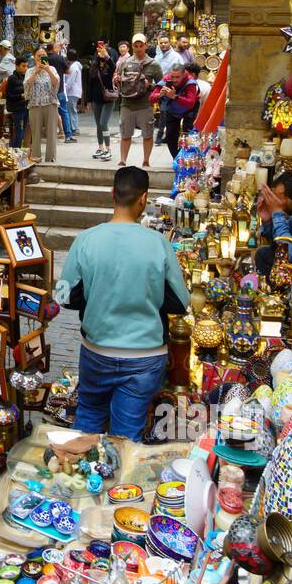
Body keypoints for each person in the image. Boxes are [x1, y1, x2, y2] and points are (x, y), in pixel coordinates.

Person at [57, 166, 190, 441]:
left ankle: (81, 474)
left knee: (88, 423)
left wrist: (96, 293)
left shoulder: (86, 240)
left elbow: (63, 295)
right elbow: (181, 301)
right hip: (144, 356)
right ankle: (123, 482)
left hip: (97, 351)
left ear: (111, 194)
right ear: (143, 198)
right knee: (126, 437)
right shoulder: (158, 242)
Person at [117, 33, 162, 169]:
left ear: (146, 46)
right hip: (127, 103)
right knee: (125, 133)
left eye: (141, 46)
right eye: (136, 46)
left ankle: (146, 160)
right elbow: (119, 79)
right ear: (132, 47)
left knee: (147, 133)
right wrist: (117, 80)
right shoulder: (125, 62)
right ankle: (123, 159)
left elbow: (162, 83)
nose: (138, 48)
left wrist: (151, 85)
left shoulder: (153, 64)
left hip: (145, 104)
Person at [255, 171, 292, 275]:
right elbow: (276, 242)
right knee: (262, 253)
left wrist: (277, 213)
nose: (274, 201)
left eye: (279, 197)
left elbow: (290, 253)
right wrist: (268, 221)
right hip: (289, 266)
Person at [24, 47, 61, 162]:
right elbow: (27, 85)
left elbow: (56, 83)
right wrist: (36, 72)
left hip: (50, 103)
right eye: (38, 55)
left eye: (43, 55)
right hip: (35, 105)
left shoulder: (52, 69)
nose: (41, 57)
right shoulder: (30, 71)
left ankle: (50, 158)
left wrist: (48, 70)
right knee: (36, 133)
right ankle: (36, 157)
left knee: (51, 133)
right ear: (34, 57)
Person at [159, 62, 201, 157]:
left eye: (177, 77)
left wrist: (175, 96)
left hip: (189, 108)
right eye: (172, 76)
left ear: (183, 74)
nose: (174, 79)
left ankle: (189, 157)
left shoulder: (191, 83)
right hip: (173, 107)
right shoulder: (166, 79)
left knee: (189, 134)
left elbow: (190, 103)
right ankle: (177, 158)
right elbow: (152, 98)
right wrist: (159, 94)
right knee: (170, 134)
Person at [90, 40, 116, 160]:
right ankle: (101, 148)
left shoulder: (110, 67)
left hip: (108, 98)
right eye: (99, 52)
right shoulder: (94, 67)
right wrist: (88, 101)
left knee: (103, 123)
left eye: (103, 52)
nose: (100, 54)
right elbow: (90, 82)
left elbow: (113, 65)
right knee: (98, 125)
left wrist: (106, 56)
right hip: (96, 98)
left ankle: (108, 148)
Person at [45, 41, 74, 143]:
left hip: (46, 91)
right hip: (59, 89)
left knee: (46, 114)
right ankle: (68, 135)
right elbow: (68, 71)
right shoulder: (59, 58)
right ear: (53, 48)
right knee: (63, 112)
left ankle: (48, 136)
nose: (58, 48)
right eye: (57, 46)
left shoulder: (44, 58)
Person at [3, 54, 29, 148]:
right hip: (17, 109)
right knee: (19, 132)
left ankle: (18, 152)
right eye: (23, 66)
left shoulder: (26, 77)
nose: (25, 68)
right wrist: (21, 96)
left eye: (27, 66)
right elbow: (9, 95)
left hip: (26, 107)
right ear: (17, 66)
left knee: (22, 131)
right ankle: (15, 152)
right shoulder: (12, 78)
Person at [64, 48, 82, 136]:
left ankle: (74, 128)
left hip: (72, 91)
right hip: (74, 91)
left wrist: (65, 89)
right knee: (71, 110)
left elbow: (71, 81)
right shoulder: (76, 66)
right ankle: (73, 127)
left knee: (71, 110)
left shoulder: (74, 67)